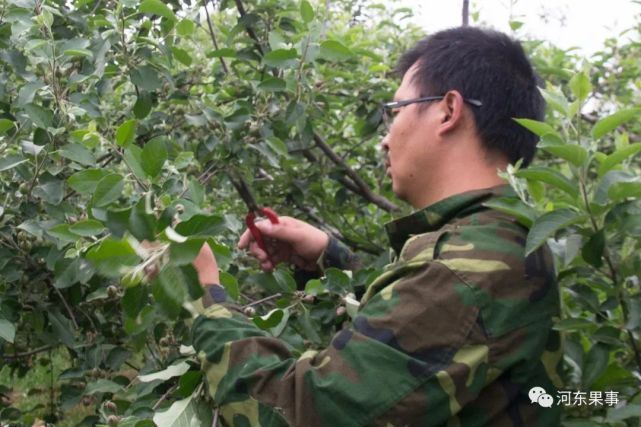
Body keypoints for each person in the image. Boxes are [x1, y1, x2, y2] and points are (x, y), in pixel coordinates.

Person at [190, 26, 562, 426]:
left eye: (397, 110)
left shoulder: (462, 272)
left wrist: (205, 293)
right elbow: (416, 343)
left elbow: (301, 411)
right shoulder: (499, 238)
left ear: (448, 111)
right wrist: (328, 260)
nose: (386, 139)